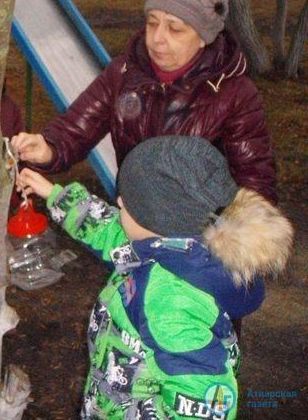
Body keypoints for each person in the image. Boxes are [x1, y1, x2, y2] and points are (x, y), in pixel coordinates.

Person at [16, 135, 293, 419]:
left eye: (128, 204)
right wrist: (56, 195)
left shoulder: (167, 300)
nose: (119, 201)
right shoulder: (170, 248)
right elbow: (110, 229)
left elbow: (208, 405)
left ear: (159, 219)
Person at [11, 0, 277, 204]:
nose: (158, 39)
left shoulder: (235, 95)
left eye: (175, 29)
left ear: (203, 38)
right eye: (152, 24)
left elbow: (255, 182)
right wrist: (48, 147)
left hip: (199, 242)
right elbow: (77, 128)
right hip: (133, 222)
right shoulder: (123, 73)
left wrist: (232, 244)